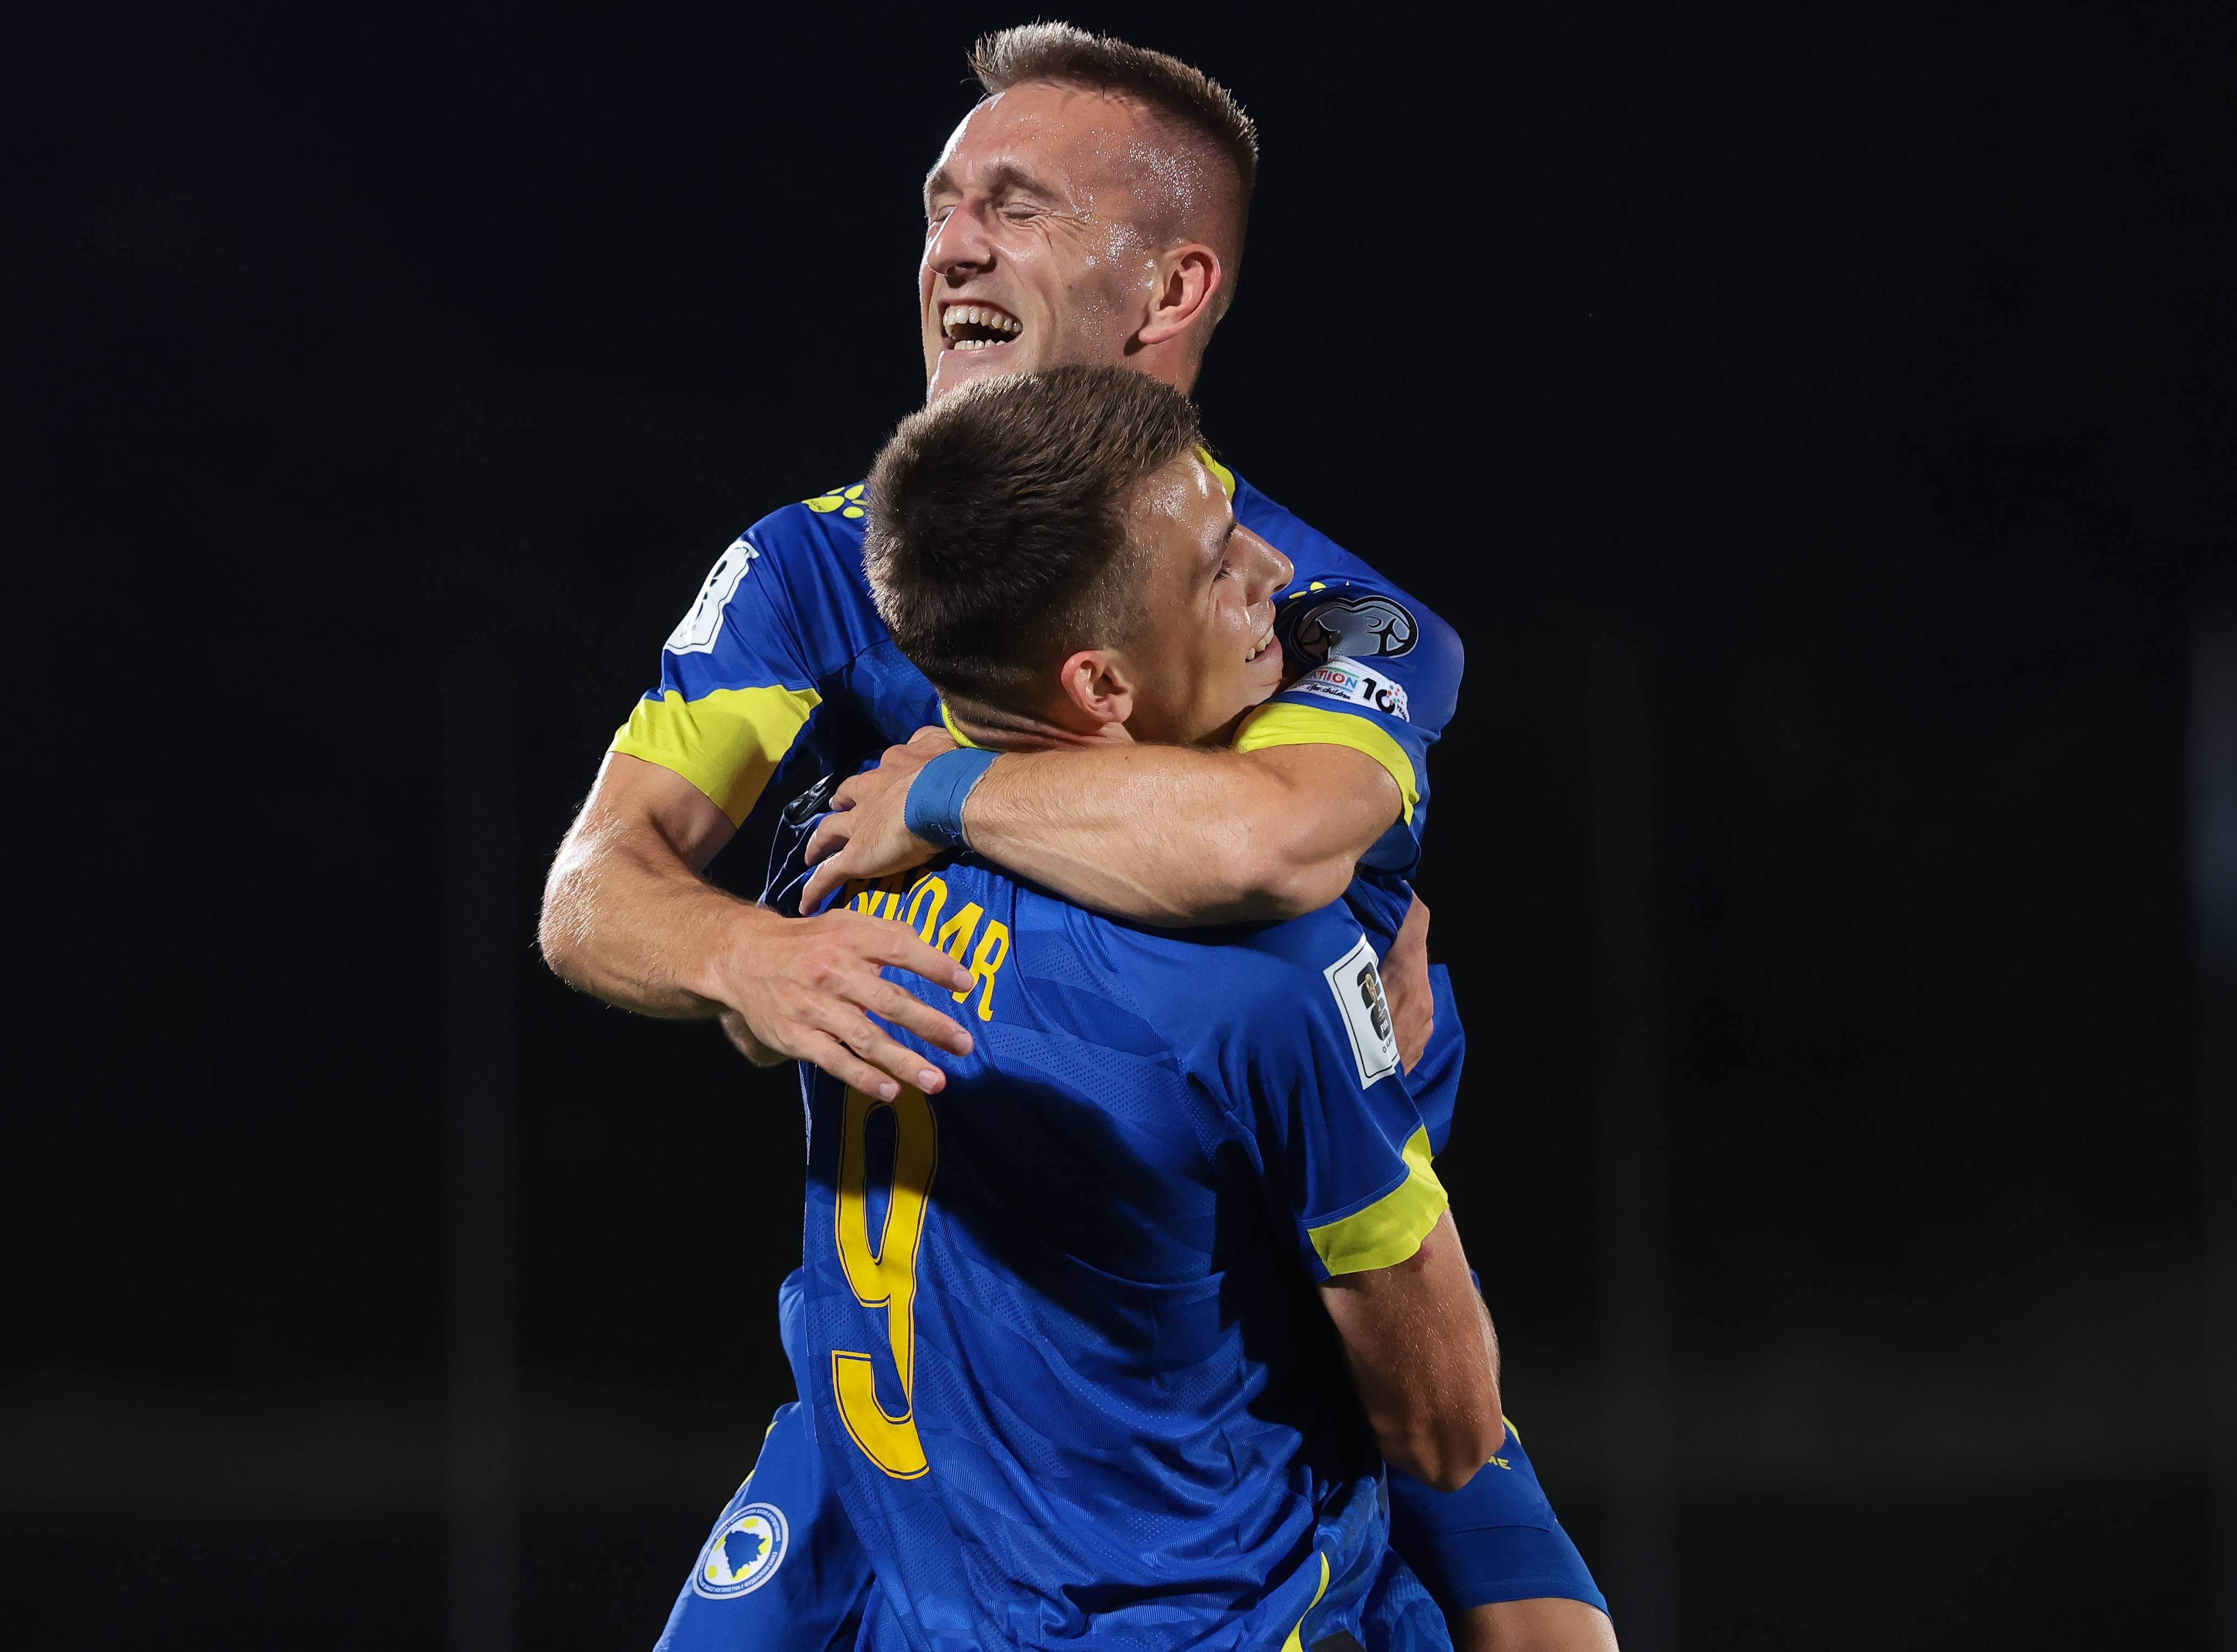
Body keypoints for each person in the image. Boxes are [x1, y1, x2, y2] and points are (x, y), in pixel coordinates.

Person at [538, 23, 1609, 1651]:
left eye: (1016, 208)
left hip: (1210, 1431)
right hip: (881, 1428)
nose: (951, 244)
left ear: (1169, 293)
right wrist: (741, 950)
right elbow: (591, 891)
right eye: (940, 204)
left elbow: (1271, 846)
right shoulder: (814, 570)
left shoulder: (1304, 613)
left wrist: (945, 793)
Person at [803, 363, 1501, 1650]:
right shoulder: (1265, 975)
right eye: (1217, 570)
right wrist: (1382, 1075)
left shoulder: (836, 869)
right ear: (1101, 689)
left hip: (928, 1610)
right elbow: (1446, 1426)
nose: (1274, 579)